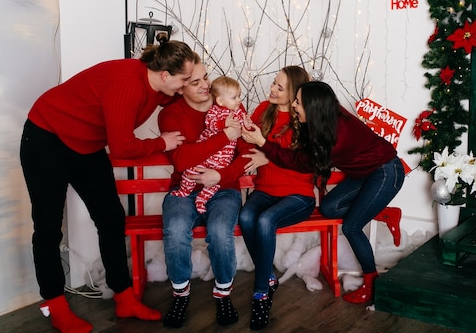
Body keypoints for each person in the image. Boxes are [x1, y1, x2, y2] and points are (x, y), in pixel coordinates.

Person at [19, 33, 197, 333]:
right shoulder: (128, 84)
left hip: (85, 146)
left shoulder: (162, 88)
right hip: (46, 138)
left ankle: (124, 297)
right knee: (48, 227)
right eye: (185, 79)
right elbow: (123, 148)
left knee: (112, 219)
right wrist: (161, 142)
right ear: (165, 74)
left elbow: (185, 96)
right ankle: (56, 305)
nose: (186, 84)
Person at [241, 81, 405, 304]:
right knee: (329, 208)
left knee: (352, 226)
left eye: (298, 102)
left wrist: (262, 143)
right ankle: (382, 211)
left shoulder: (335, 139)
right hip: (363, 174)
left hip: (385, 172)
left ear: (313, 109)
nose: (294, 105)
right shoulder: (327, 116)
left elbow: (300, 162)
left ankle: (371, 283)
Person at [158, 62, 251, 328]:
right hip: (185, 187)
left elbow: (245, 153)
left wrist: (220, 176)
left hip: (224, 189)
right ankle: (181, 295)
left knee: (221, 232)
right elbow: (181, 159)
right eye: (194, 81)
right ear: (179, 87)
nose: (205, 85)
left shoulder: (231, 105)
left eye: (206, 78)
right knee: (175, 230)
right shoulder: (170, 115)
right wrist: (225, 136)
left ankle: (223, 294)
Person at [238, 65, 315, 330]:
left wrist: (266, 154)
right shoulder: (263, 110)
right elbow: (246, 143)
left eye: (280, 88)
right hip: (264, 190)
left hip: (298, 194)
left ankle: (260, 296)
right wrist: (252, 144)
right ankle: (269, 276)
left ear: (293, 93)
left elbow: (300, 163)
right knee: (247, 216)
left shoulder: (306, 120)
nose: (272, 89)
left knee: (265, 221)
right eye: (274, 83)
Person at [171, 76, 247, 213]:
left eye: (239, 96)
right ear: (220, 100)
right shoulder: (215, 111)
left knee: (214, 184)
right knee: (190, 172)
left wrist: (248, 126)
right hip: (205, 158)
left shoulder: (239, 112)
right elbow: (210, 124)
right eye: (234, 97)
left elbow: (246, 132)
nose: (239, 100)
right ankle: (184, 191)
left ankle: (202, 199)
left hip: (223, 160)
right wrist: (225, 126)